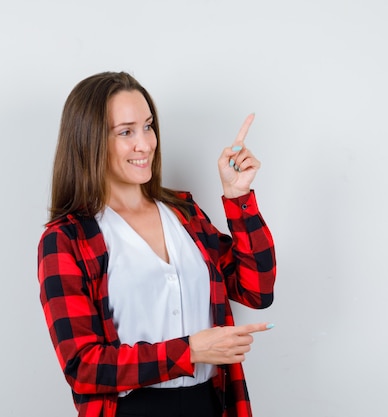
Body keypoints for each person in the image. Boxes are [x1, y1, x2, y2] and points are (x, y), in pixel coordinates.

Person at [37, 71, 276, 417]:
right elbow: (82, 366)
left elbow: (257, 290)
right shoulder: (66, 239)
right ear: (89, 141)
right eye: (126, 132)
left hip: (208, 404)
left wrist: (238, 197)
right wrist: (189, 350)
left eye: (148, 126)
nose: (145, 144)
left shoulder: (184, 213)